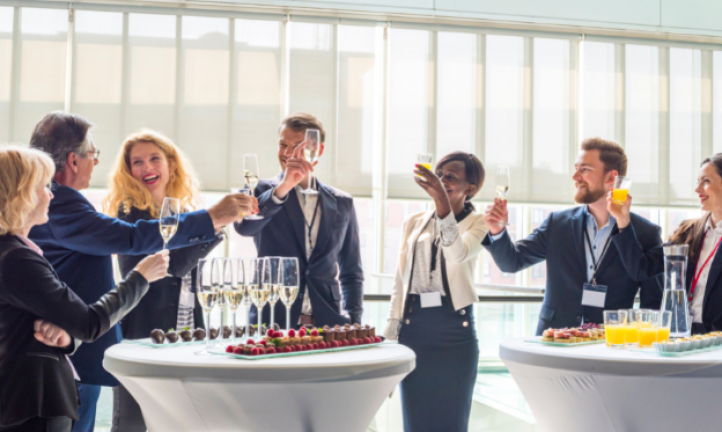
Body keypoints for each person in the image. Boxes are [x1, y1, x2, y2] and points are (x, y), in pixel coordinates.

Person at [27, 111, 256, 432]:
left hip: (72, 346)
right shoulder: (61, 202)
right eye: (93, 155)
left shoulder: (55, 201)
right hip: (67, 351)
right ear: (73, 161)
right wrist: (213, 216)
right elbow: (133, 237)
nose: (96, 163)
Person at [0, 145, 170, 432]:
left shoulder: (15, 252)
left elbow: (33, 327)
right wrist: (140, 278)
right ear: (22, 194)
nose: (51, 194)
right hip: (33, 404)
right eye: (43, 186)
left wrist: (67, 338)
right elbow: (89, 323)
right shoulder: (16, 259)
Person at [103, 130, 225, 432]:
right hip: (144, 333)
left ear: (170, 164)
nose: (147, 168)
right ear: (129, 171)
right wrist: (215, 226)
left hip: (186, 333)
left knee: (184, 422)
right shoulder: (129, 216)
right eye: (137, 162)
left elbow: (193, 277)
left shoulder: (188, 214)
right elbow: (176, 267)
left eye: (155, 158)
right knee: (133, 422)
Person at [483, 138, 663, 334]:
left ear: (611, 178)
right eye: (576, 168)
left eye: (584, 169)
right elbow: (512, 262)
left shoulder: (646, 233)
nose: (575, 176)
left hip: (610, 347)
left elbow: (652, 306)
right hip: (555, 341)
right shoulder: (557, 224)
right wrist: (497, 231)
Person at [384, 152, 487, 432]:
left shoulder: (479, 223)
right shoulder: (414, 221)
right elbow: (400, 279)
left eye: (450, 177)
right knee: (415, 421)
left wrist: (442, 202)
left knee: (451, 421)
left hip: (454, 332)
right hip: (414, 330)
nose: (441, 181)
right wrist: (391, 332)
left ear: (470, 188)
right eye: (439, 174)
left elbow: (457, 255)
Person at [234, 112, 363, 328]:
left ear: (317, 150)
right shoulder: (258, 190)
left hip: (329, 325)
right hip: (272, 322)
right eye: (283, 145)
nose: (287, 153)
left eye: (297, 146)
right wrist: (283, 188)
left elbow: (352, 271)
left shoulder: (343, 203)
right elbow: (244, 227)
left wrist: (354, 320)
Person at [610, 154, 722, 334]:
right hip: (683, 335)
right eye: (697, 181)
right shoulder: (688, 232)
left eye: (706, 181)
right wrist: (622, 219)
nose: (697, 189)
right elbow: (641, 268)